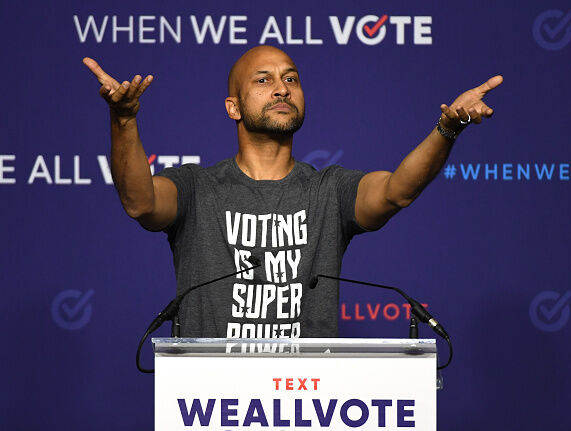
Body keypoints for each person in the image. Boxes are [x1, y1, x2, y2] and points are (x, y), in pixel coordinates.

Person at [83, 46, 502, 338]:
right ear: (233, 107)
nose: (282, 88)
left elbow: (396, 192)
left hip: (307, 401)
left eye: (291, 79)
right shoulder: (196, 188)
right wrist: (123, 119)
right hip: (209, 400)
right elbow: (140, 202)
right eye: (263, 80)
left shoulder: (330, 190)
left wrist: (448, 128)